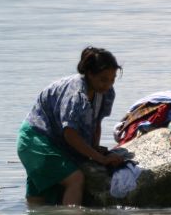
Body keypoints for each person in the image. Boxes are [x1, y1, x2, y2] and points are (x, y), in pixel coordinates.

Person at [17, 47, 125, 206]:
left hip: (55, 143)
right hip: (36, 141)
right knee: (75, 179)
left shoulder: (105, 92)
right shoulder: (76, 93)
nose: (108, 85)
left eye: (112, 79)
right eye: (103, 79)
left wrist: (94, 147)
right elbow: (70, 134)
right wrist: (101, 159)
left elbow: (96, 122)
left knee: (40, 201)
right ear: (89, 73)